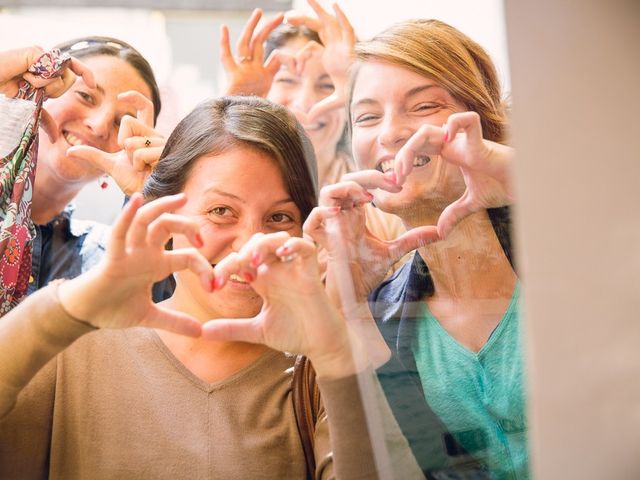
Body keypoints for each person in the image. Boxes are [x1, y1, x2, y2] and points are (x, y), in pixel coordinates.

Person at [0, 95, 423, 479]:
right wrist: (65, 308)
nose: (250, 243)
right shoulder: (72, 351)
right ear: (163, 211)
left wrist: (337, 353)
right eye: (222, 211)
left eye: (279, 218)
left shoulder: (319, 373)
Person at [301, 10, 524, 479]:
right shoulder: (385, 309)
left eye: (423, 107)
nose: (391, 133)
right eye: (366, 117)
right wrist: (351, 309)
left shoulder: (564, 244)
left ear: (482, 122)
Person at [220, 7, 407, 269]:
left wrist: (362, 84)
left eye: (327, 84)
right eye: (287, 80)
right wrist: (236, 107)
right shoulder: (225, 195)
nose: (306, 101)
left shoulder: (384, 206)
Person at [25, 36, 165, 294]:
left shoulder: (104, 258)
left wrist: (148, 194)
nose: (99, 125)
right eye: (86, 96)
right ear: (39, 88)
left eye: (121, 122)